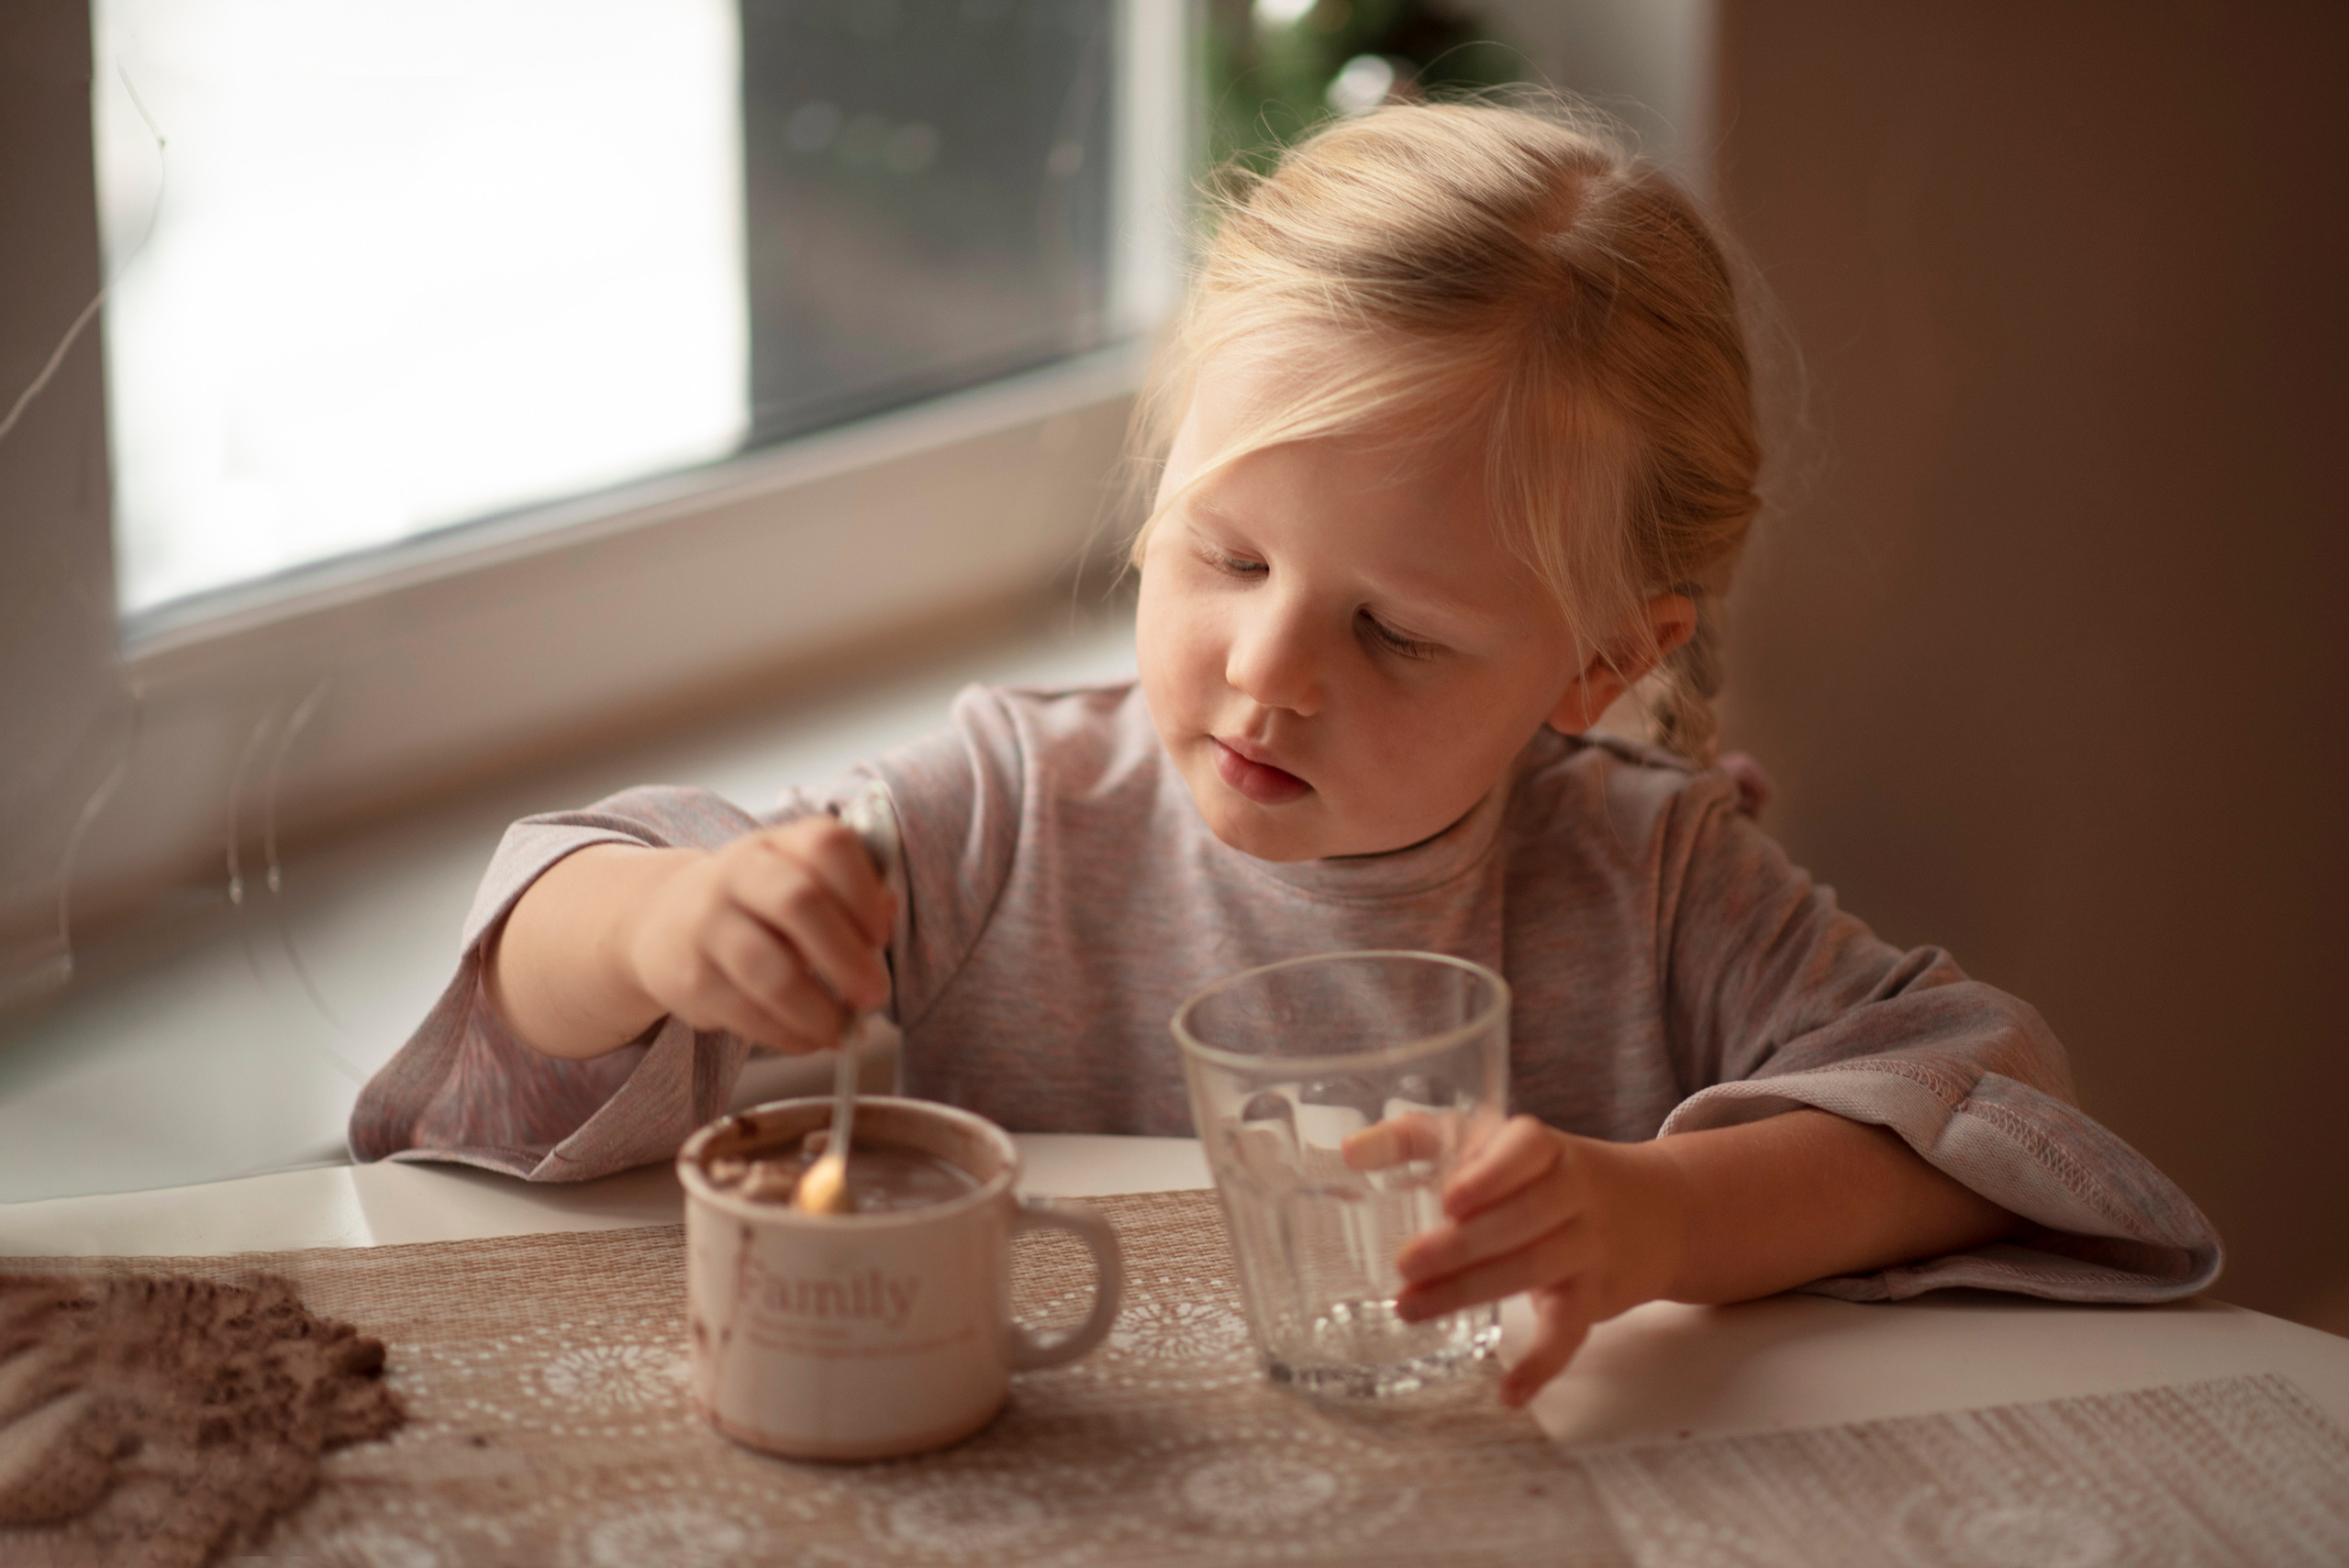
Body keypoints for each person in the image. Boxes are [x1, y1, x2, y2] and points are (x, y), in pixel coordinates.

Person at [351, 100, 2219, 1407]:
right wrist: (675, 924)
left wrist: (1651, 1213)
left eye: (1392, 630)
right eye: (1219, 556)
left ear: (1595, 665)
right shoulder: (1008, 817)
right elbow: (538, 951)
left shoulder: (1652, 883)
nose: (1263, 669)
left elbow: (1983, 1102)